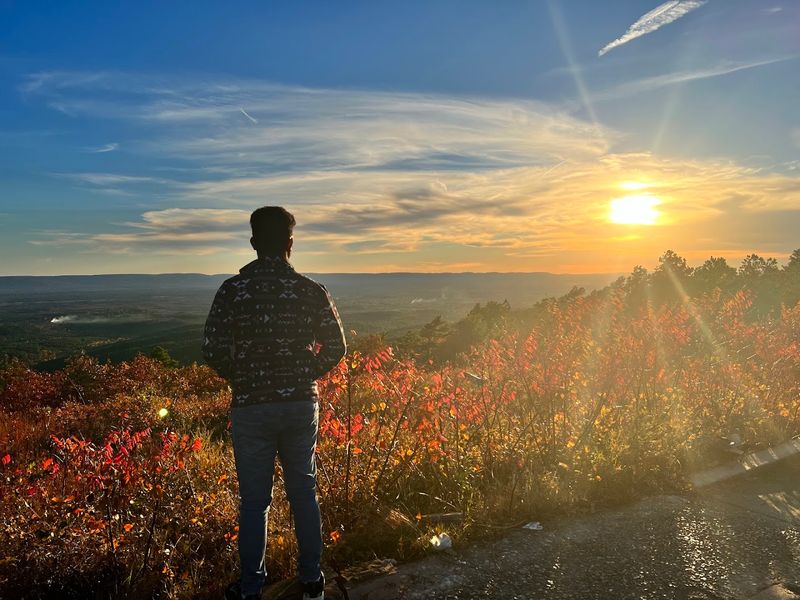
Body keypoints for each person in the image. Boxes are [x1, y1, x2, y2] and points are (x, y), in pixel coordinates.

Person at [202, 206, 346, 600]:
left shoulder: (232, 290)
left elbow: (211, 348)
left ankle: (251, 589)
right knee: (304, 491)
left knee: (254, 502)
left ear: (252, 243)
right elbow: (337, 347)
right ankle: (312, 581)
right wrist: (302, 375)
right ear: (290, 244)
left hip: (251, 406)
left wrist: (245, 377)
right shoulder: (311, 290)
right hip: (300, 404)